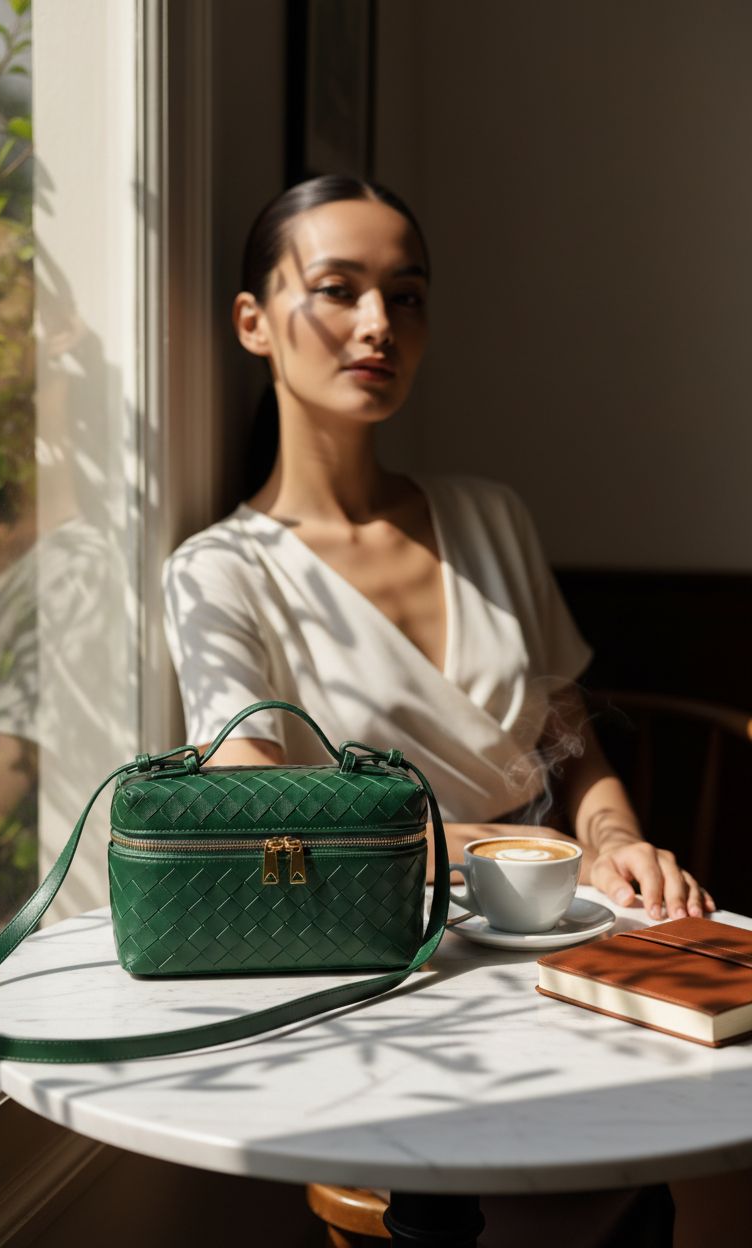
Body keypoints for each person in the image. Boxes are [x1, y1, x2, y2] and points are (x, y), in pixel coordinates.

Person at [161, 174, 702, 1245]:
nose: (377, 325)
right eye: (338, 289)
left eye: (405, 296)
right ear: (253, 322)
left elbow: (565, 738)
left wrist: (615, 838)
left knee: (649, 1147)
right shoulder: (220, 573)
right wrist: (505, 844)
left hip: (559, 929)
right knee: (541, 1191)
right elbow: (257, 790)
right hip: (387, 959)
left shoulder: (488, 516)